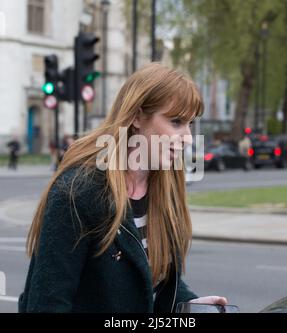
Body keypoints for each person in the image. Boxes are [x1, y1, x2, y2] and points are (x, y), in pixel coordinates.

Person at [19, 63, 228, 313]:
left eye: (190, 124)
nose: (188, 137)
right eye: (176, 122)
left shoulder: (166, 186)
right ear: (137, 117)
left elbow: (152, 284)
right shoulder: (77, 191)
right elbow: (47, 304)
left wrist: (188, 304)